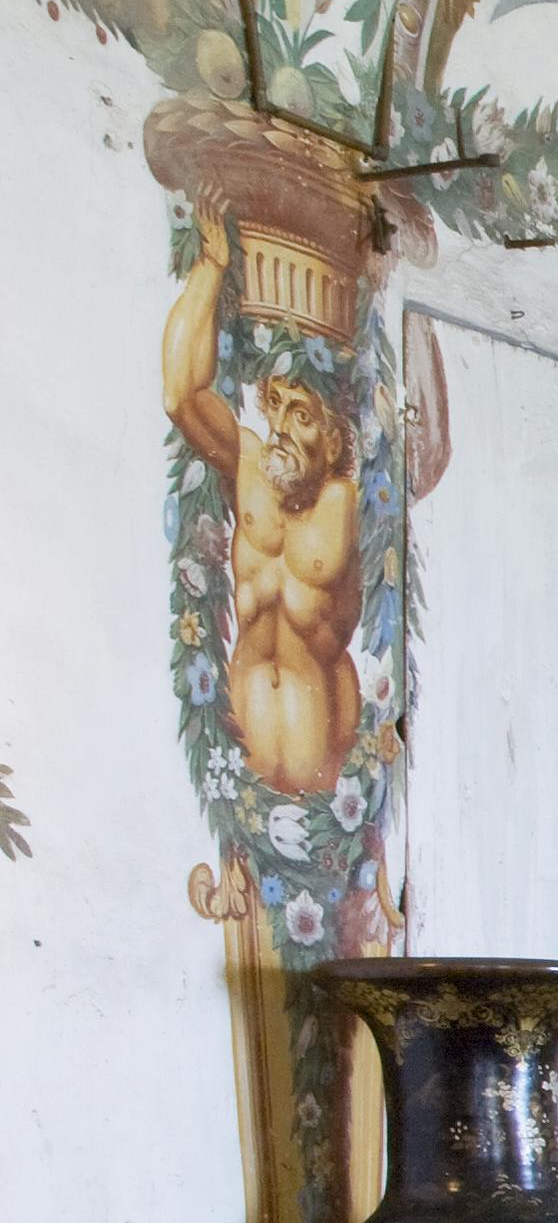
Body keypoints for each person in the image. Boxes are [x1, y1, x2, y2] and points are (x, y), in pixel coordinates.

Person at [159, 206, 366, 800]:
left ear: (332, 439)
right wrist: (211, 267)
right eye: (274, 403)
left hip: (323, 783)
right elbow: (181, 394)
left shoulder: (347, 505)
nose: (276, 426)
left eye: (299, 415)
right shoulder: (249, 466)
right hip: (242, 777)